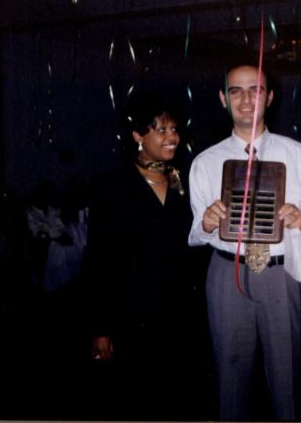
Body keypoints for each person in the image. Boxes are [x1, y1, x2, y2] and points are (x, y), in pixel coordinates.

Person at [188, 63, 301, 420]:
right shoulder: (205, 161)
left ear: (270, 96)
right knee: (230, 380)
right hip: (225, 272)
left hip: (282, 274)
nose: (246, 99)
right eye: (236, 90)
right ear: (223, 98)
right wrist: (206, 222)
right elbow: (196, 231)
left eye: (256, 90)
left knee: (289, 383)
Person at [83, 91, 211, 420]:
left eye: (174, 130)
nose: (172, 138)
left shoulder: (186, 180)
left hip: (182, 310)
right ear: (139, 136)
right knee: (138, 395)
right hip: (133, 312)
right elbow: (99, 260)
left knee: (182, 394)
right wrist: (100, 327)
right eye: (162, 130)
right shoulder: (112, 187)